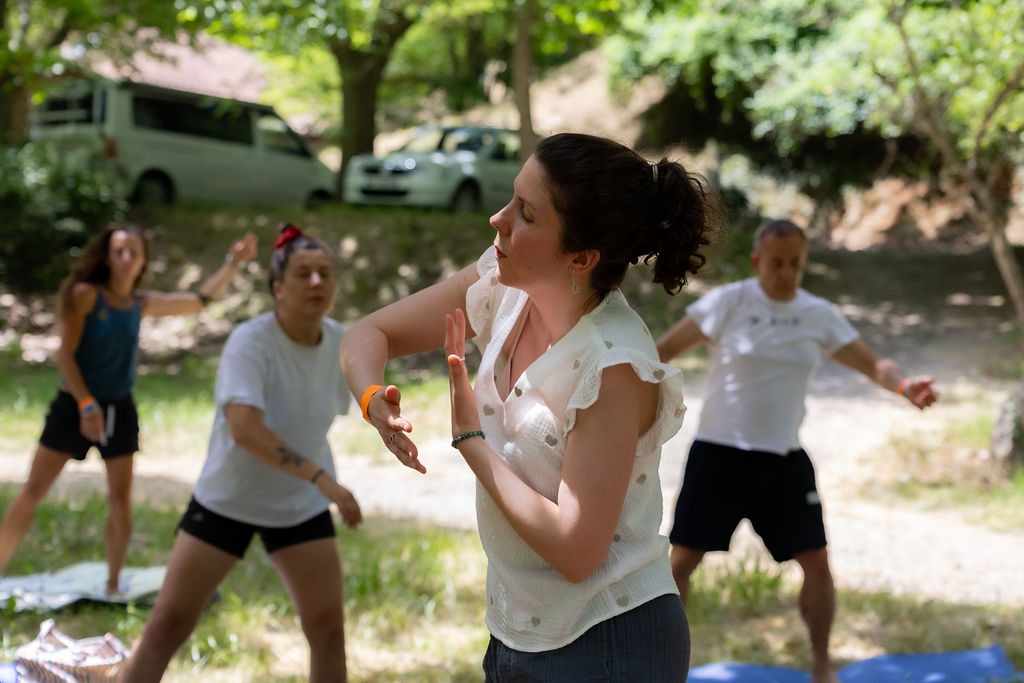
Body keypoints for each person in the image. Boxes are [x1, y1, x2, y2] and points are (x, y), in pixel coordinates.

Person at [340, 132, 721, 681]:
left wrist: (472, 442)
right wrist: (373, 399)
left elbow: (577, 551)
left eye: (526, 214)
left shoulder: (612, 365)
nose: (498, 220)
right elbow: (368, 334)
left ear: (582, 257)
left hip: (610, 640)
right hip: (518, 632)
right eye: (510, 200)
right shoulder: (503, 287)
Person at [656, 218, 939, 683]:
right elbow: (663, 349)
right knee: (680, 563)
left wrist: (906, 385)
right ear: (756, 261)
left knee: (818, 565)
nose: (785, 273)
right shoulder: (729, 302)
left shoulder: (817, 314)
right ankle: (663, 670)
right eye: (776, 263)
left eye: (795, 264)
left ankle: (822, 668)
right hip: (718, 454)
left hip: (783, 459)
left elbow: (873, 365)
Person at [118, 224, 362, 682]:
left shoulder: (340, 341)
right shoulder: (250, 341)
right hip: (229, 501)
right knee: (168, 625)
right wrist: (321, 478)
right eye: (303, 274)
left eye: (325, 273)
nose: (316, 283)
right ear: (277, 289)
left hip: (298, 507)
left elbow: (367, 389)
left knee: (328, 631)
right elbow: (245, 429)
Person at [0, 222, 257, 595]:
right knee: (33, 490)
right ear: (106, 256)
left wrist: (232, 263)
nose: (124, 258)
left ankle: (113, 584)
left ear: (142, 261)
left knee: (120, 499)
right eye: (117, 251)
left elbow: (200, 300)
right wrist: (87, 405)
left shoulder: (140, 303)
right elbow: (65, 356)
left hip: (119, 408)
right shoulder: (85, 294)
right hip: (74, 402)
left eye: (132, 252)